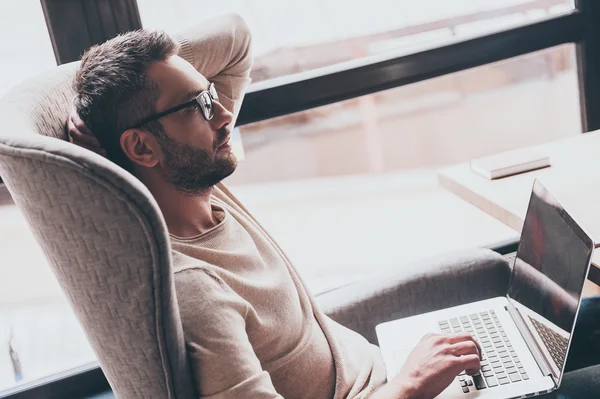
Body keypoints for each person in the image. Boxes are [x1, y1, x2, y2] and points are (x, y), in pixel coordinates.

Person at [68, 14, 535, 399]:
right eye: (198, 105)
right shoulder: (193, 288)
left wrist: (98, 122)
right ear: (143, 149)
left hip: (384, 369)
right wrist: (410, 385)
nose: (225, 115)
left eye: (212, 94)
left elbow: (235, 36)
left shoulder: (201, 183)